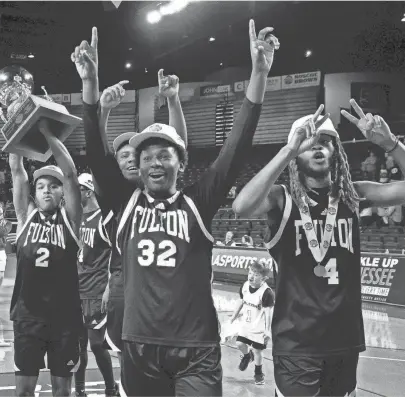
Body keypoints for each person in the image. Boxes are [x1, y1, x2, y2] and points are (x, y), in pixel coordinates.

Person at [77, 20, 278, 396]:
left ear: (181, 163)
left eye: (164, 155)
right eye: (147, 156)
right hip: (139, 345)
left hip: (196, 348)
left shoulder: (198, 201)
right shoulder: (125, 202)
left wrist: (260, 73)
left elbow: (237, 145)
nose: (154, 163)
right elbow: (96, 151)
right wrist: (90, 85)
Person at [232, 99, 405, 396]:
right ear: (295, 152)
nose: (317, 147)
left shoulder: (354, 195)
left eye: (325, 142)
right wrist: (288, 147)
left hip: (345, 337)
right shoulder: (281, 198)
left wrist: (391, 144)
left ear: (336, 153)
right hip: (297, 341)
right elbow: (241, 207)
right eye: (308, 142)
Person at [75, 28, 188, 386]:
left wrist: (173, 102)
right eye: (121, 155)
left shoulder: (170, 192)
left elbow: (178, 148)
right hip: (130, 294)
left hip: (176, 295)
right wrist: (97, 99)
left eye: (132, 155)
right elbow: (96, 150)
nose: (127, 160)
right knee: (135, 376)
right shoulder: (115, 198)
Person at [8, 120, 83, 397]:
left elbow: (72, 174)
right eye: (41, 186)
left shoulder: (71, 220)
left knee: (62, 392)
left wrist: (47, 134)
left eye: (54, 185)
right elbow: (17, 171)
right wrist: (16, 127)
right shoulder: (25, 216)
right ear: (34, 192)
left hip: (64, 319)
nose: (47, 190)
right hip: (28, 317)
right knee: (24, 391)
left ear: (62, 192)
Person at [74, 173, 119, 397]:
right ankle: (79, 391)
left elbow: (117, 255)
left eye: (77, 189)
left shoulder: (103, 218)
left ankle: (111, 388)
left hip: (97, 289)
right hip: (76, 291)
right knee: (77, 347)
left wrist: (109, 288)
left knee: (97, 345)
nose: (72, 194)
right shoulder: (75, 217)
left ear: (88, 191)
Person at [229, 261, 274, 385]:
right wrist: (234, 315)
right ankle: (247, 356)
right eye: (250, 273)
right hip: (246, 324)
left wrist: (267, 330)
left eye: (256, 275)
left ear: (264, 278)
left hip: (259, 327)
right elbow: (241, 301)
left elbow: (268, 313)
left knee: (257, 351)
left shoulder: (267, 292)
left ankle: (258, 374)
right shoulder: (244, 286)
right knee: (239, 343)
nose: (251, 276)